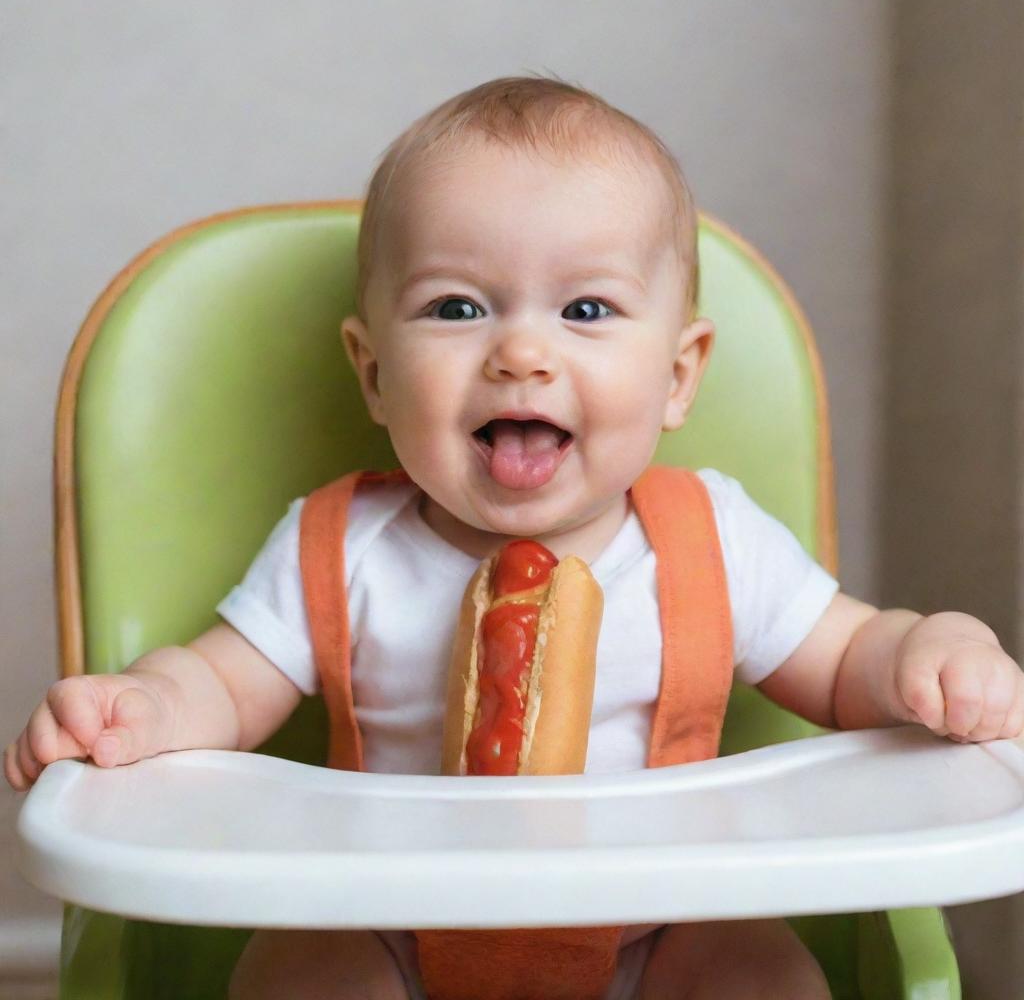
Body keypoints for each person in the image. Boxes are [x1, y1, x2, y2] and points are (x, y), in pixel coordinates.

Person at [6, 75, 1024, 1000]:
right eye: (456, 307)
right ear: (371, 371)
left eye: (586, 309)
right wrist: (140, 704)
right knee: (298, 973)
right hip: (389, 923)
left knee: (761, 974)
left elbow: (846, 658)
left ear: (677, 375)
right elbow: (225, 685)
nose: (522, 353)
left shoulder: (710, 538)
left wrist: (927, 654)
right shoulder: (341, 545)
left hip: (660, 926)